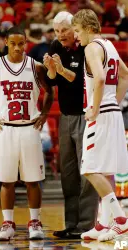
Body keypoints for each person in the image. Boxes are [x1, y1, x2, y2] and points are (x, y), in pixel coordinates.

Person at [0, 26, 54, 241]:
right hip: (5, 128)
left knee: (33, 180)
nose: (18, 48)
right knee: (6, 181)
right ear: (5, 43)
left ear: (26, 44)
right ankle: (8, 223)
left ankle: (34, 221)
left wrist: (45, 113)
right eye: (13, 43)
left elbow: (50, 91)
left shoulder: (36, 67)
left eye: (22, 43)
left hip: (30, 128)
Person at [72, 9, 128, 241]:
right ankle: (103, 224)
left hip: (101, 115)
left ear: (87, 28)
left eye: (76, 31)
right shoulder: (109, 45)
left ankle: (120, 219)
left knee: (89, 169)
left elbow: (101, 78)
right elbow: (125, 75)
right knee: (104, 170)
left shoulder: (92, 47)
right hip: (112, 112)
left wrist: (95, 106)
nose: (76, 37)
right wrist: (113, 101)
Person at [43, 11, 99, 238]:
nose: (60, 35)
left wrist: (61, 70)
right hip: (66, 116)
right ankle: (71, 224)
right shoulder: (56, 46)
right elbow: (51, 81)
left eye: (64, 30)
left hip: (85, 115)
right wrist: (51, 69)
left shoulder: (87, 48)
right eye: (56, 31)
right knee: (67, 173)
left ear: (74, 28)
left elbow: (79, 84)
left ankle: (86, 225)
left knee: (86, 172)